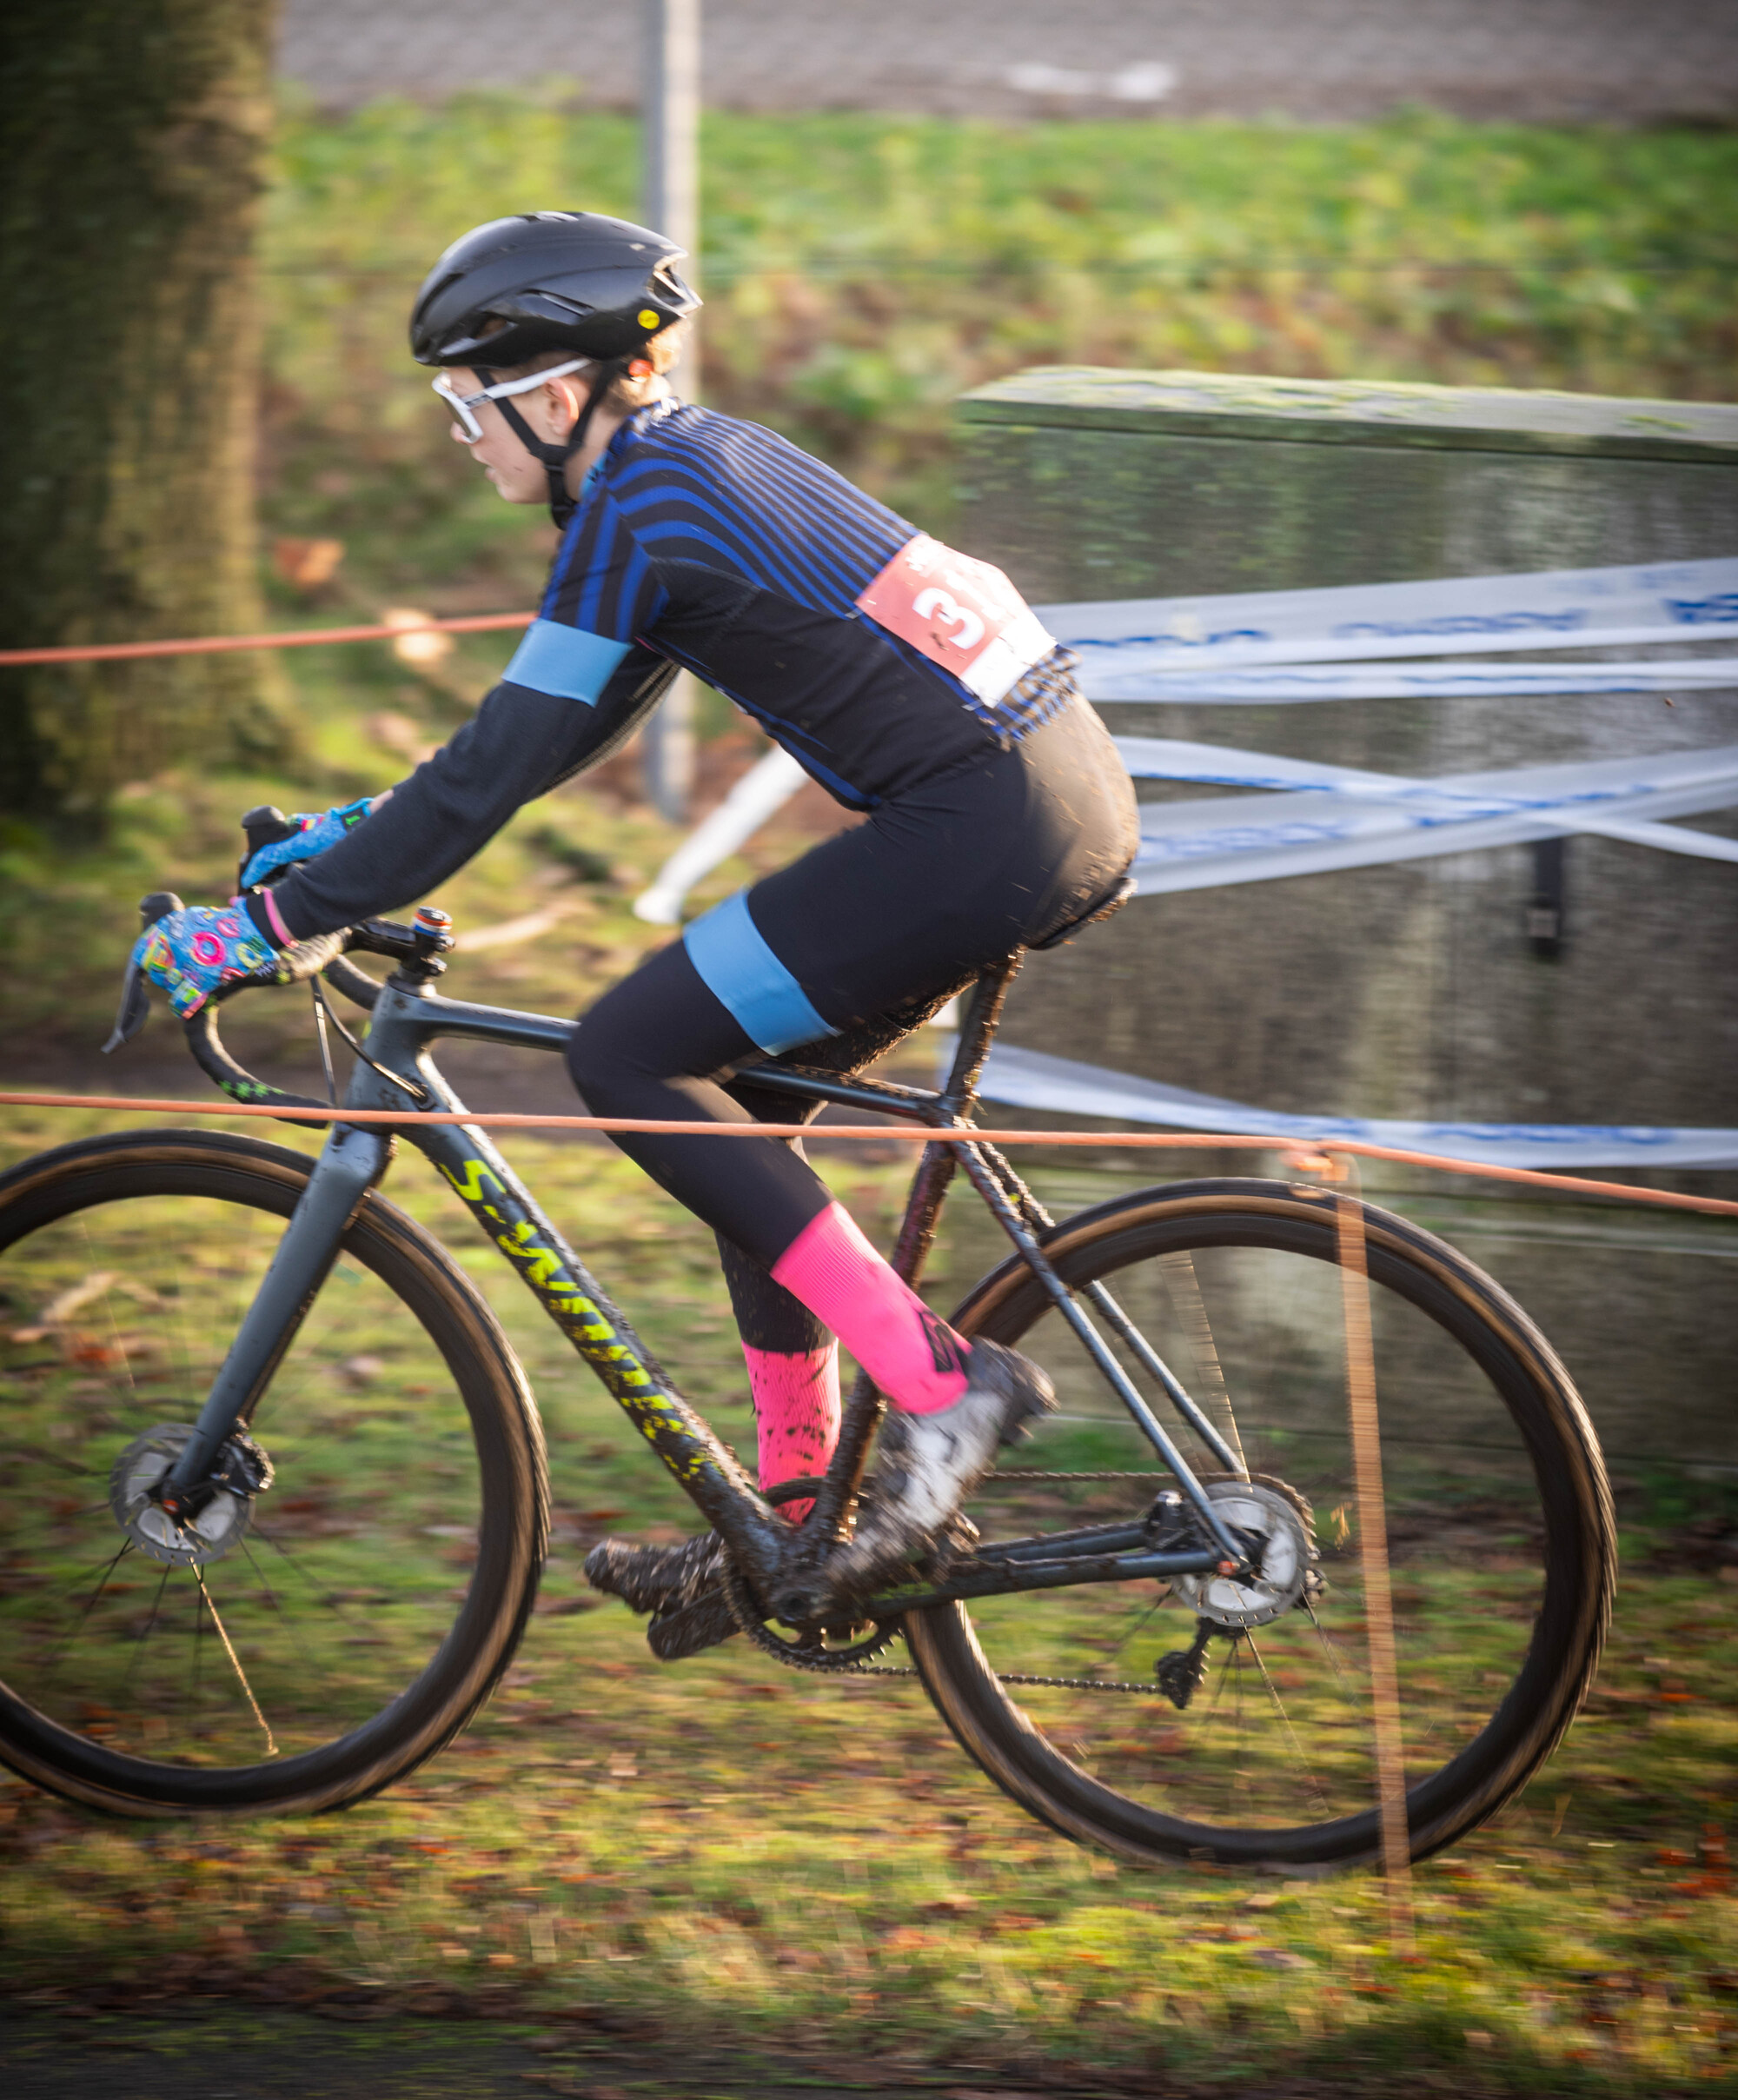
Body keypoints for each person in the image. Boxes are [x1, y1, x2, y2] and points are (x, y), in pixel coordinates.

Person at [130, 210, 1139, 1652]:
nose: (456, 434)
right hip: (1061, 790)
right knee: (743, 1114)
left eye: (466, 405)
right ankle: (810, 1516)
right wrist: (351, 848)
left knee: (630, 1053)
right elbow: (539, 745)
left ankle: (941, 1383)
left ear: (552, 396)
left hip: (983, 820)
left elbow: (493, 768)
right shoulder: (689, 474)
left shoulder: (638, 516)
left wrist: (268, 922)